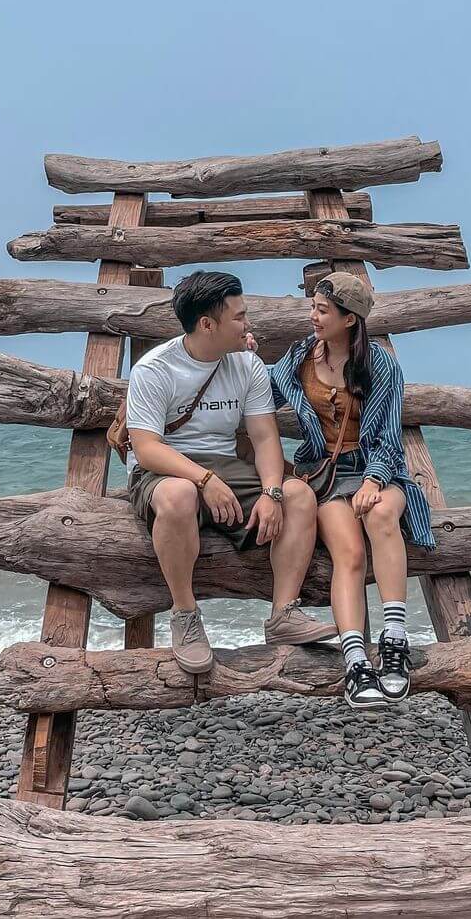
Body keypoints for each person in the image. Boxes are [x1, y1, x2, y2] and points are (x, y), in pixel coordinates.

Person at [125, 270, 337, 674]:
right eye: (239, 317)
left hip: (225, 467)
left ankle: (283, 615)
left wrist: (273, 493)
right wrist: (204, 480)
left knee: (300, 496)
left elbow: (264, 438)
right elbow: (147, 448)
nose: (247, 323)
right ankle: (185, 616)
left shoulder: (247, 364)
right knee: (178, 495)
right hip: (165, 468)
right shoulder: (154, 369)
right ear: (208, 324)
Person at [270, 272, 436, 709]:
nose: (313, 317)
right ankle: (357, 662)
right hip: (323, 476)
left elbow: (388, 438)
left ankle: (394, 642)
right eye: (314, 308)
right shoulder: (300, 355)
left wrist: (374, 479)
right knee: (350, 554)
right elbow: (264, 392)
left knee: (382, 515)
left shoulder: (381, 366)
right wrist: (246, 359)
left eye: (322, 311)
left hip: (377, 469)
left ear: (349, 319)